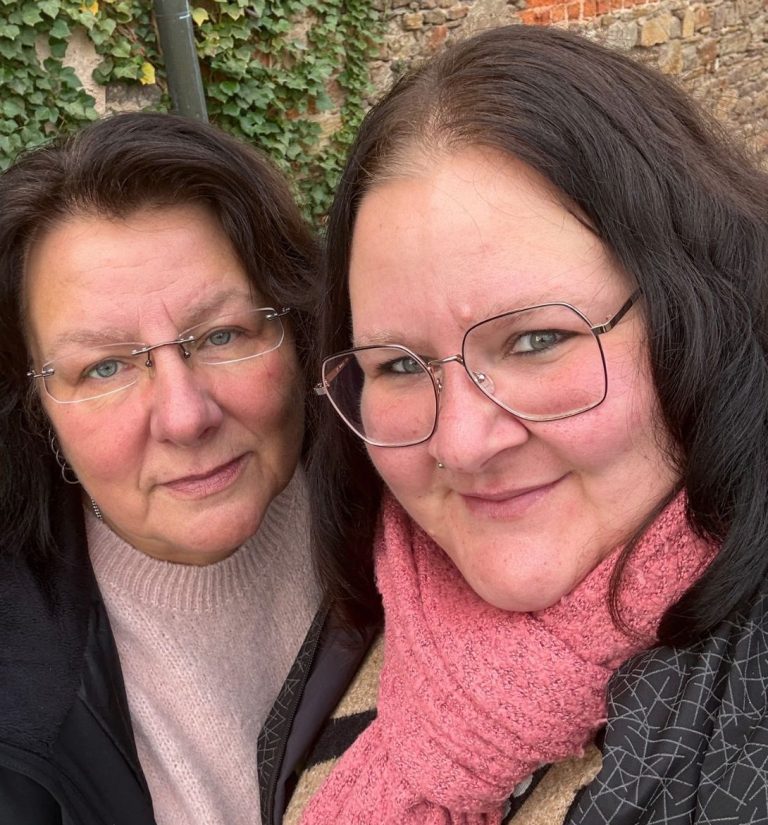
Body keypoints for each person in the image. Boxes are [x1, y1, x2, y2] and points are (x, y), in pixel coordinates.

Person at [292, 24, 768, 825]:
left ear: (696, 317)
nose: (462, 443)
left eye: (538, 340)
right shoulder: (378, 596)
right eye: (399, 364)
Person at [0, 113, 373, 825]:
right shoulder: (16, 696)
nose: (184, 415)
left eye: (222, 334)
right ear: (36, 405)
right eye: (103, 367)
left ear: (297, 330)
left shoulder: (426, 503)